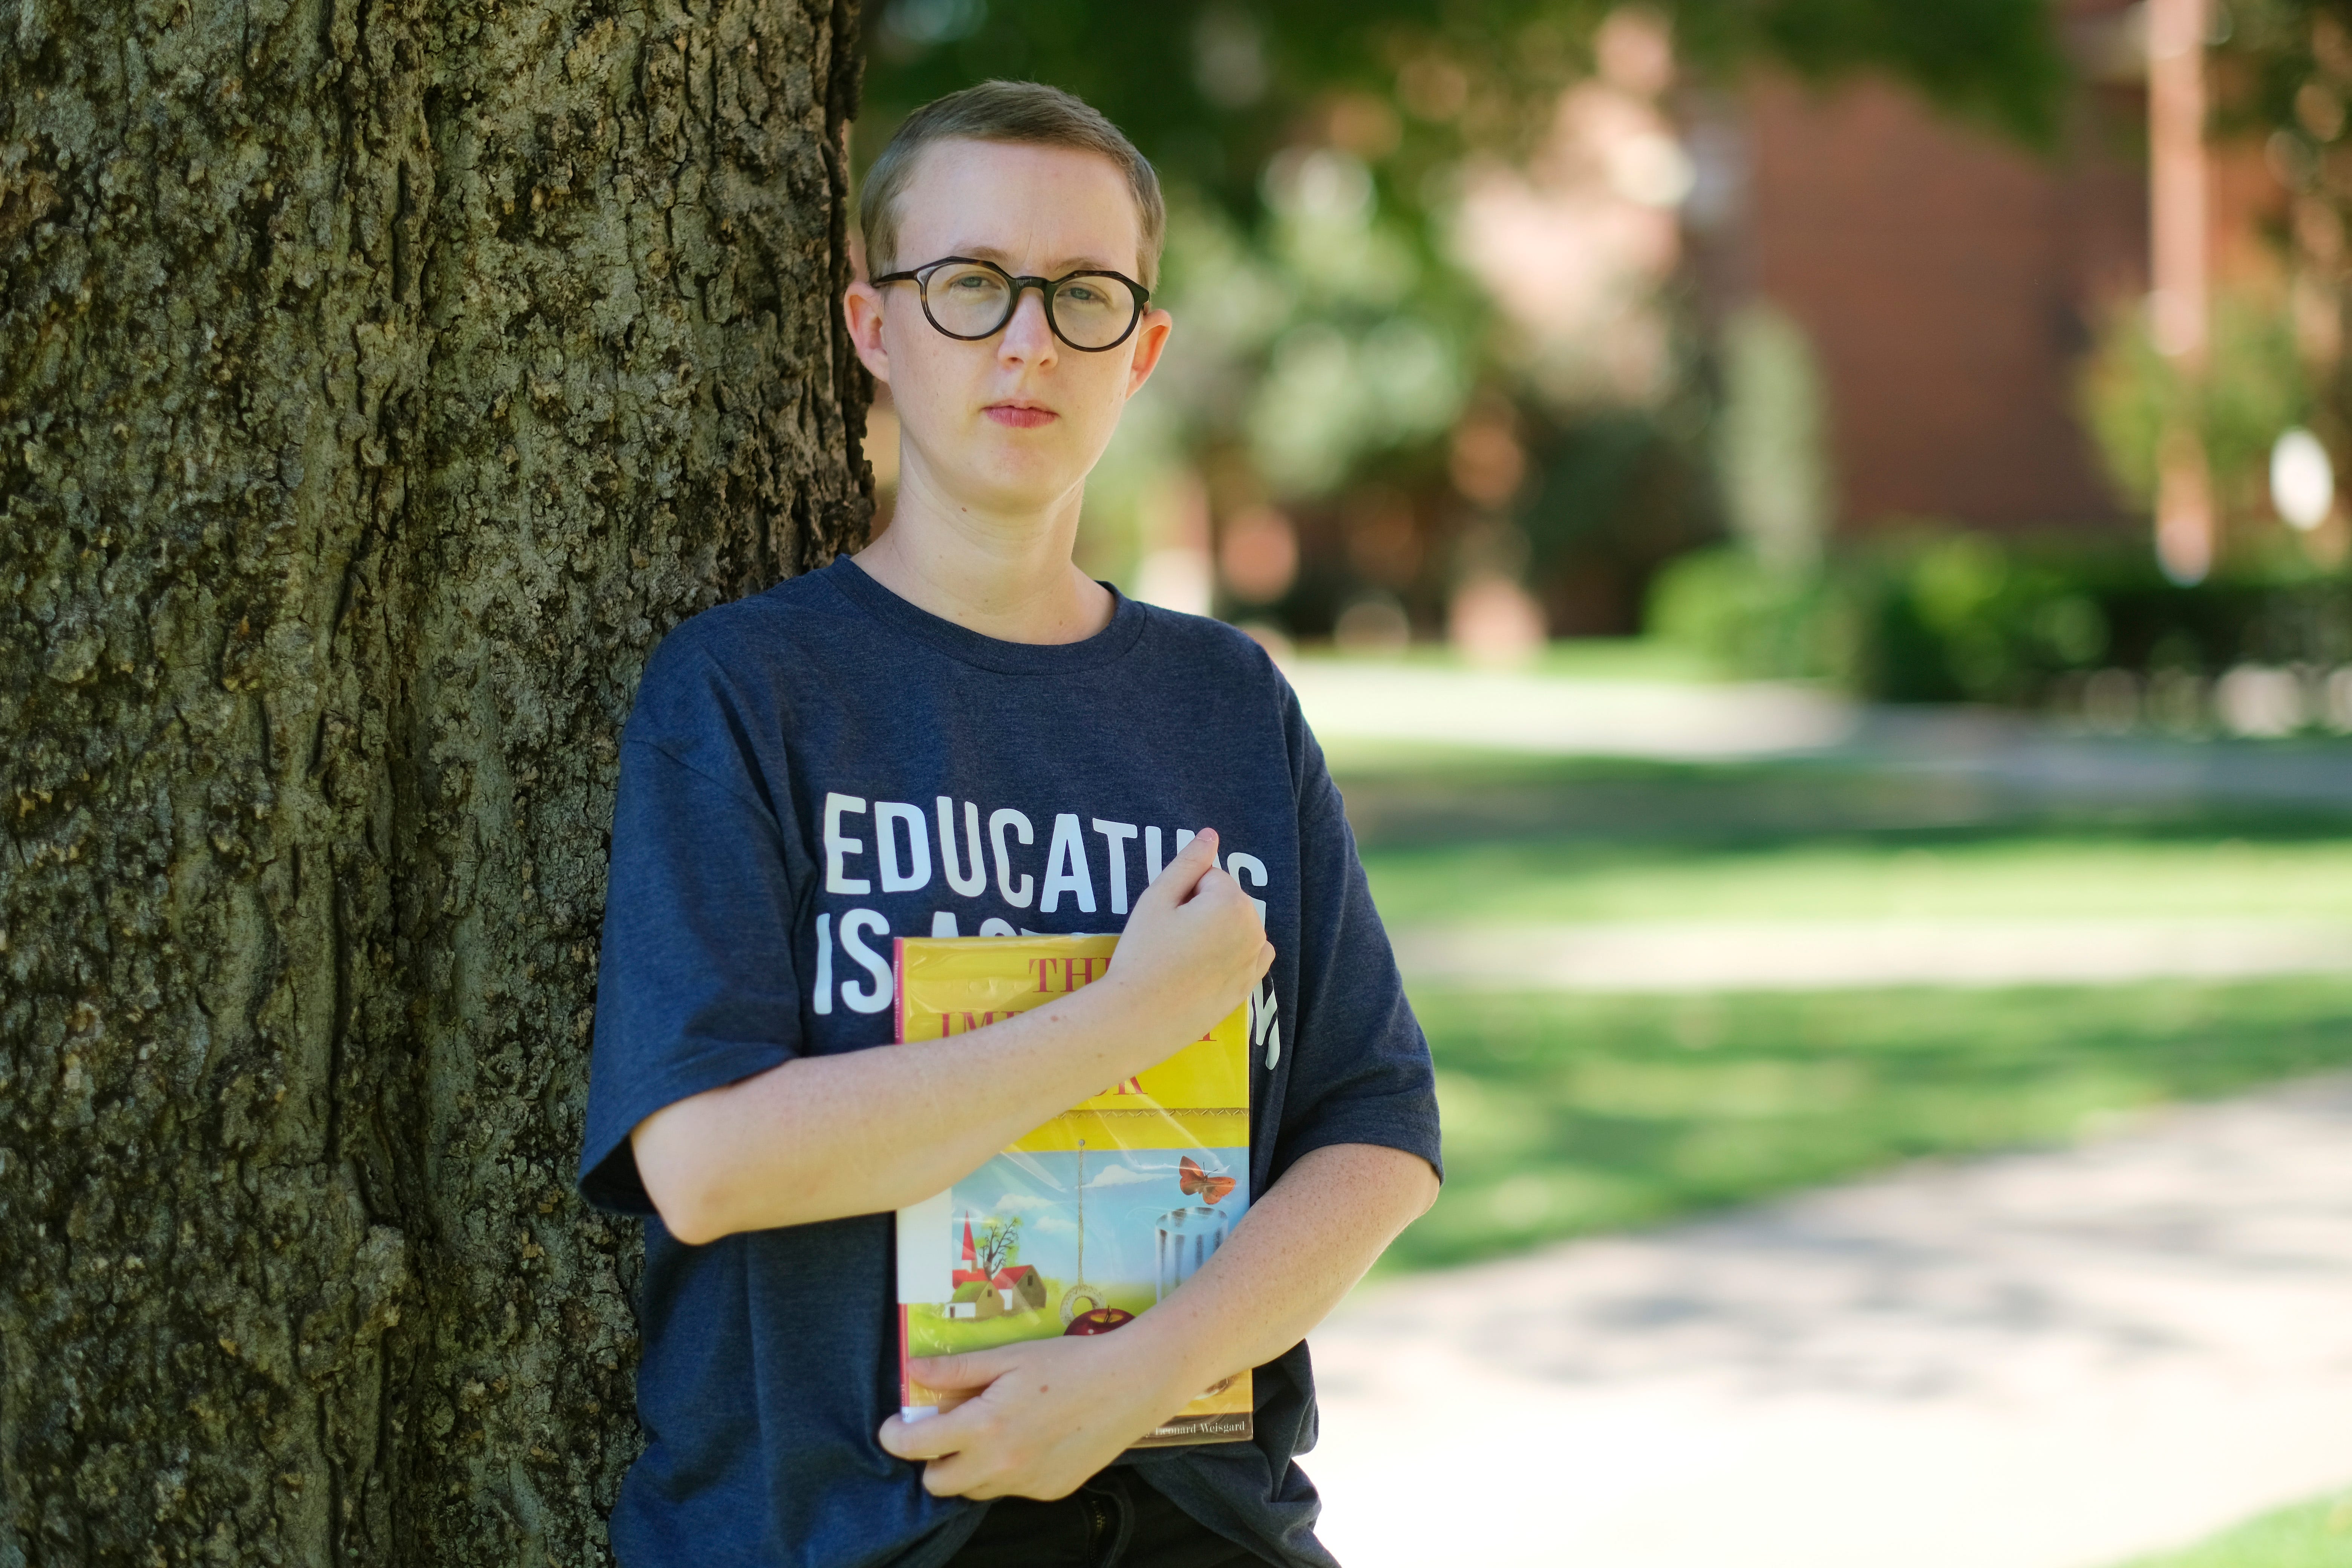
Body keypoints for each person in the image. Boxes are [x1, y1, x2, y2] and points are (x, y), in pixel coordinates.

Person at [576, 80, 1443, 1568]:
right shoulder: (746, 691)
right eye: (972, 284)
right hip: (835, 1533)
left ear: (1145, 350)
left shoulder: (1227, 704)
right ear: (875, 325)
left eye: (1085, 294)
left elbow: (1378, 1127)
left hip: (1196, 1516)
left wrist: (1132, 1378)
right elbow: (708, 1161)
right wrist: (1128, 1019)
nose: (1031, 338)